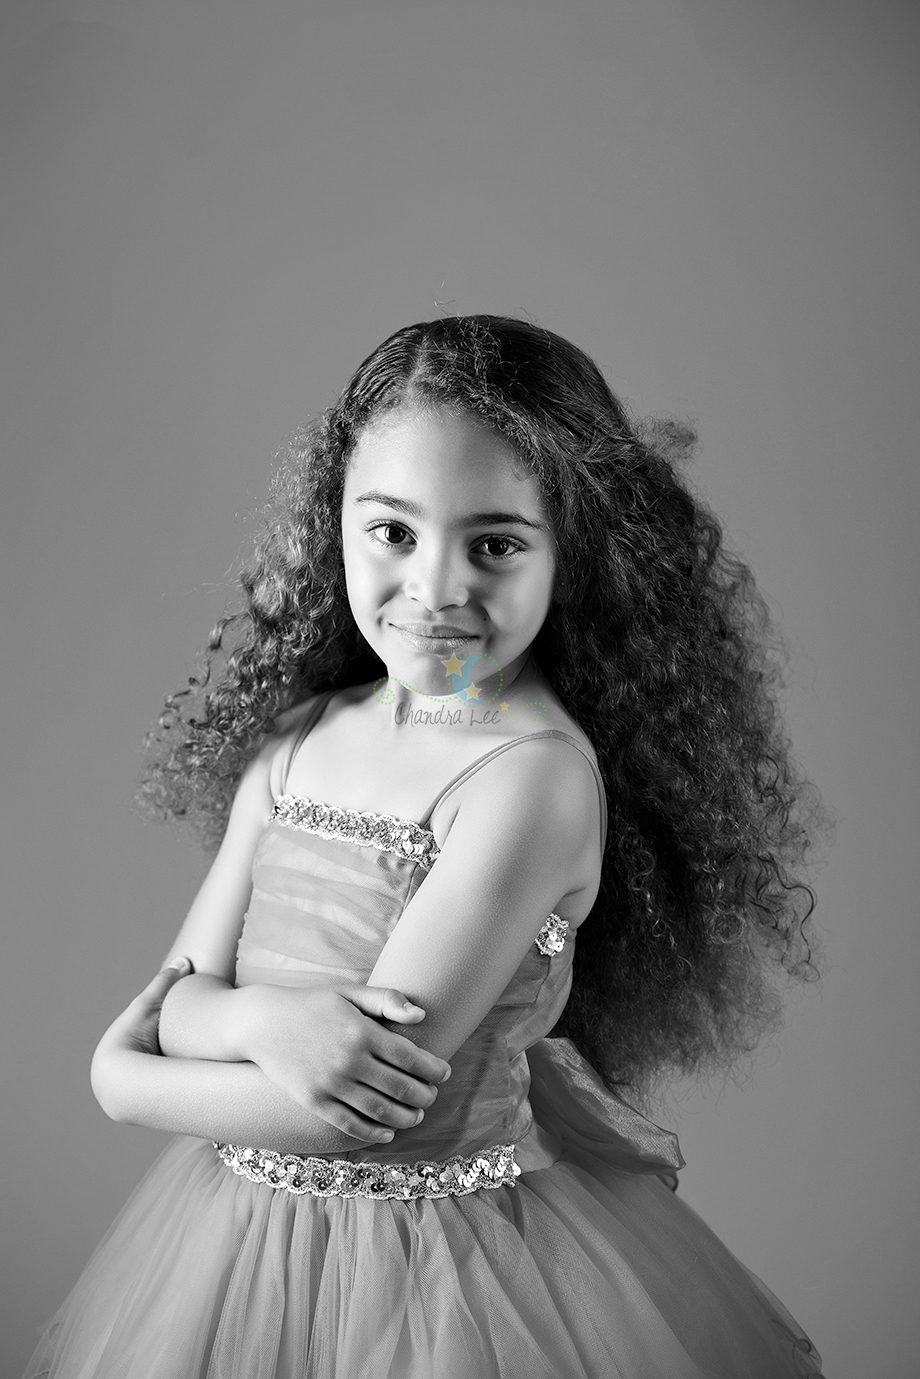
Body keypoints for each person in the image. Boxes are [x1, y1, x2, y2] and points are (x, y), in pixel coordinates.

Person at [24, 316, 826, 1378]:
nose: (436, 587)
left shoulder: (530, 781)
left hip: (446, 1284)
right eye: (393, 531)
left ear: (573, 552)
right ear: (336, 525)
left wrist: (121, 1080)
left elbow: (359, 1113)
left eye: (494, 543)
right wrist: (266, 1020)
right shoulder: (300, 739)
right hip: (238, 1246)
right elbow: (183, 992)